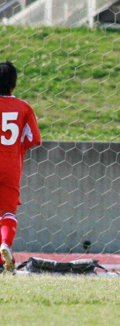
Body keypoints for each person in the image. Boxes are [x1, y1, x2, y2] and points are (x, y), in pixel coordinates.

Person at [0, 61, 41, 274]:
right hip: (11, 165)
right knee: (8, 211)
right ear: (13, 84)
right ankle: (5, 244)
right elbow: (33, 138)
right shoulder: (23, 107)